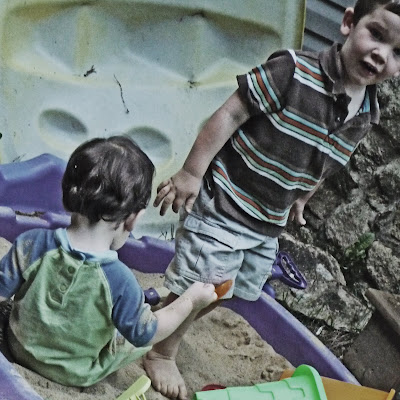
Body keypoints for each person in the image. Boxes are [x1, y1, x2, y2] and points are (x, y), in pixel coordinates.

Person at [145, 1, 400, 399]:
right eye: (377, 35)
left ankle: (164, 314)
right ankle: (161, 351)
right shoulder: (293, 71)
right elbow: (231, 114)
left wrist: (302, 196)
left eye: (398, 52)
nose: (381, 54)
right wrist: (191, 173)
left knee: (224, 290)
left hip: (267, 220)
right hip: (226, 198)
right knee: (203, 283)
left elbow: (329, 156)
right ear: (349, 22)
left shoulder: (368, 111)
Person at [0, 136, 217, 388]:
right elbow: (147, 333)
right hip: (76, 372)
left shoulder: (31, 243)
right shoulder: (120, 281)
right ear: (133, 219)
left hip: (18, 347)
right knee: (133, 337)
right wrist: (190, 301)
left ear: (68, 195)